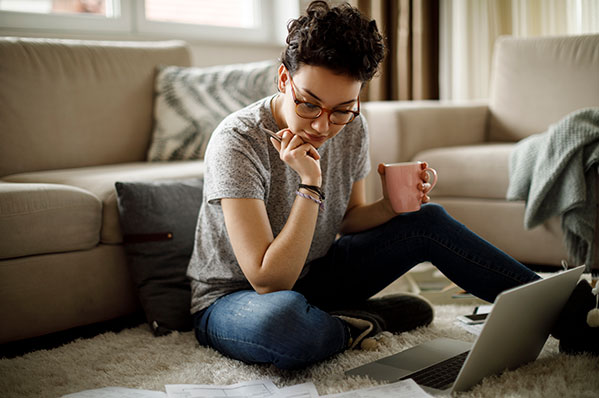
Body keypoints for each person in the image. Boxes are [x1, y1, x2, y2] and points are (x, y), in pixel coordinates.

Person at [187, 1, 593, 370]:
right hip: (235, 299)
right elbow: (268, 280)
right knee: (287, 327)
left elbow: (347, 221)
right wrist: (310, 184)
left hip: (316, 275)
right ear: (283, 78)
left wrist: (392, 208)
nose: (322, 126)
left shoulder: (352, 127)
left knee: (427, 220)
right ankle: (366, 320)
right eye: (308, 103)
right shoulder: (238, 141)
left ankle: (573, 312)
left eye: (342, 109)